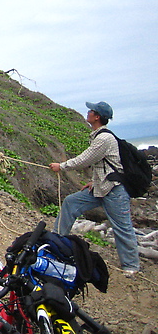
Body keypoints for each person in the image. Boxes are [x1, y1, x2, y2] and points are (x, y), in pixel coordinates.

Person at [49, 101, 140, 276]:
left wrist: (61, 166)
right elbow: (100, 164)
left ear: (97, 117)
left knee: (122, 227)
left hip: (114, 189)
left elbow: (86, 159)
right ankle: (56, 242)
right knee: (70, 202)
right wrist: (93, 181)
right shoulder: (98, 136)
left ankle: (131, 266)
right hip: (100, 187)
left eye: (91, 111)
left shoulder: (104, 138)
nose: (88, 112)